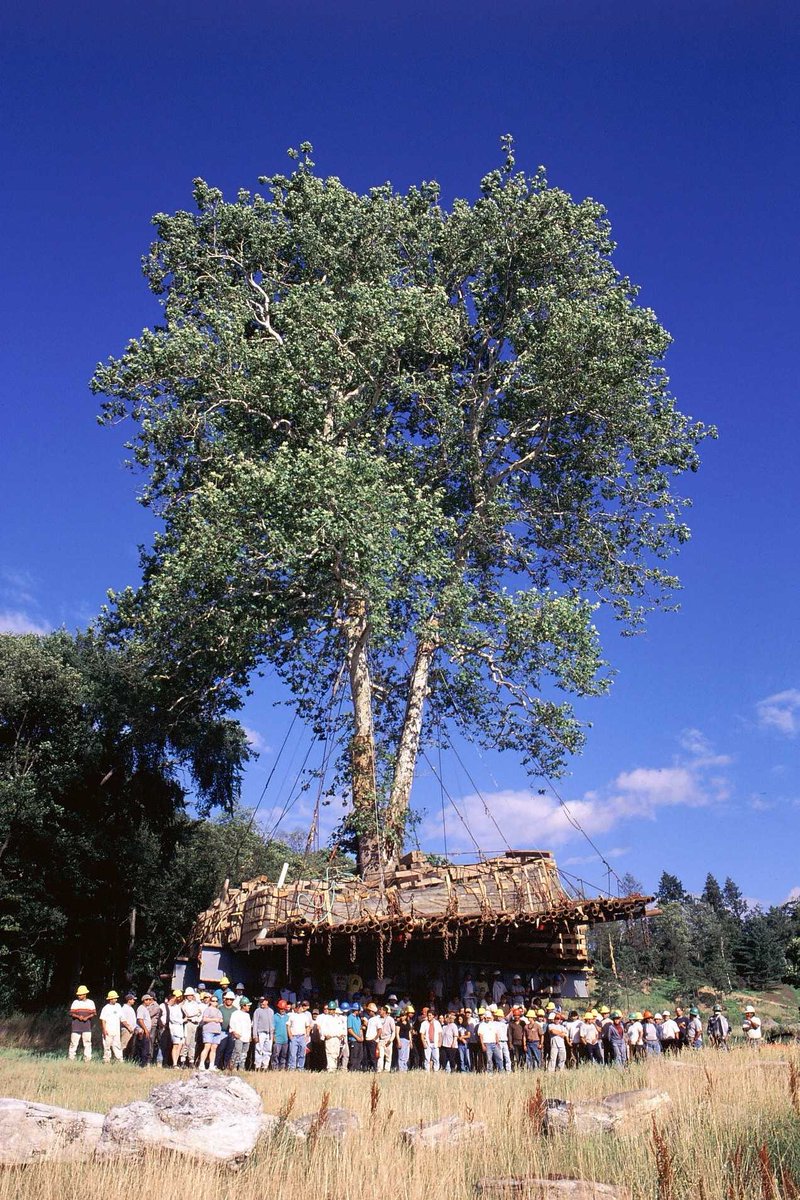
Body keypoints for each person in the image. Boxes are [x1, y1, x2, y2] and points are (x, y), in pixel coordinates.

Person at [68, 985, 96, 1061]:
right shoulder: (75, 1002)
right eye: (78, 995)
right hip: (76, 1027)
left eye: (80, 994)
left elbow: (93, 1013)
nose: (79, 996)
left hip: (86, 1027)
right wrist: (78, 1017)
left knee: (87, 1043)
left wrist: (87, 1017)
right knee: (73, 1043)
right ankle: (71, 1059)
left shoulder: (91, 1002)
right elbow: (71, 1013)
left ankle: (87, 1059)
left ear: (85, 994)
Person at [198, 994, 223, 1070]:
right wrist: (214, 1020)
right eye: (213, 1001)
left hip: (217, 1031)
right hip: (208, 1030)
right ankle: (201, 1064)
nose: (215, 1002)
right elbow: (204, 1019)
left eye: (216, 1001)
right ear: (210, 1001)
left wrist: (218, 1020)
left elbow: (221, 1020)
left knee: (214, 1048)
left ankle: (211, 1065)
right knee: (207, 1047)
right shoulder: (207, 1009)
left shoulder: (219, 1010)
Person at [181, 987, 203, 1067]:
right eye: (188, 995)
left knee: (193, 1043)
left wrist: (196, 1018)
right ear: (186, 996)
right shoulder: (184, 1005)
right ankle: (183, 1060)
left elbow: (200, 1014)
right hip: (188, 1023)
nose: (190, 996)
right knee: (186, 1042)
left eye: (191, 995)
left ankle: (191, 1060)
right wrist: (194, 1015)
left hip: (195, 1024)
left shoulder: (196, 1004)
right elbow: (189, 1014)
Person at [228, 997, 252, 1068]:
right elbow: (231, 1024)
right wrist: (234, 1033)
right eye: (248, 1005)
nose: (249, 1007)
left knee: (244, 1053)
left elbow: (249, 1026)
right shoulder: (235, 1013)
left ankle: (241, 1067)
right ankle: (234, 1067)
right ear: (243, 1005)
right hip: (238, 1037)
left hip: (246, 1037)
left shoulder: (247, 1015)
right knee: (237, 1052)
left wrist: (249, 1036)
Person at [99, 989, 123, 1063]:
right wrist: (104, 1029)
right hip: (108, 1030)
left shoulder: (118, 1006)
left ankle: (119, 1060)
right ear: (110, 999)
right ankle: (106, 1060)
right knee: (107, 1046)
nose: (115, 999)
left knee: (117, 1045)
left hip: (116, 1030)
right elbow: (103, 1019)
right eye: (114, 998)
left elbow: (121, 1017)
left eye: (116, 998)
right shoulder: (106, 1008)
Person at [287, 1000, 311, 1070]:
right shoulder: (292, 1016)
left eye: (300, 1007)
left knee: (302, 1053)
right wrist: (290, 1035)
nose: (299, 1008)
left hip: (302, 1036)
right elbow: (288, 1026)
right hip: (294, 1036)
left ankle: (300, 1067)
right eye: (298, 1007)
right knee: (293, 1053)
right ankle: (292, 1067)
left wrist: (307, 1036)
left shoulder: (305, 1016)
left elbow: (307, 1026)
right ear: (295, 1008)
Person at [252, 995, 275, 1069]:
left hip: (269, 1033)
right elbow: (255, 1023)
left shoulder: (271, 1011)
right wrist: (255, 1035)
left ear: (267, 1001)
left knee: (268, 1050)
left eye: (263, 1001)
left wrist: (272, 1034)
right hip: (260, 1033)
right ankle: (258, 1066)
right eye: (260, 1001)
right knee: (259, 1049)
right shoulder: (257, 1011)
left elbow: (272, 1023)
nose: (262, 1003)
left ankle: (265, 1066)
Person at [135, 992, 154, 1068]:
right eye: (147, 1000)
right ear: (144, 1000)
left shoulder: (145, 1008)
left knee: (146, 1047)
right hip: (142, 1031)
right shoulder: (141, 1008)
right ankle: (142, 1063)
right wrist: (145, 1029)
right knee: (144, 1047)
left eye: (150, 1000)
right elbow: (140, 1020)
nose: (149, 1001)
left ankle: (144, 1063)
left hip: (146, 1030)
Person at [478, 1007, 500, 1072]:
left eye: (489, 1018)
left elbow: (496, 1033)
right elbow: (480, 1035)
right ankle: (489, 1072)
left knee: (499, 1058)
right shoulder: (481, 1025)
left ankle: (501, 1070)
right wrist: (482, 1045)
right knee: (489, 1059)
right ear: (485, 1018)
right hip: (487, 1043)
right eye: (487, 1018)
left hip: (494, 1043)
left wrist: (497, 1040)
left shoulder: (493, 1024)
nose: (488, 1019)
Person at [377, 1004, 396, 1072]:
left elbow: (394, 1031)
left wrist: (390, 1040)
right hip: (381, 1040)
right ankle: (379, 1069)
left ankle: (387, 1070)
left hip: (388, 1039)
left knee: (388, 1057)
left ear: (384, 1011)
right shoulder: (378, 1019)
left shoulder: (390, 1019)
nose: (379, 1011)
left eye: (381, 1010)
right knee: (380, 1056)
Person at [120, 992, 138, 1059]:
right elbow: (123, 1019)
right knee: (123, 1045)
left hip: (131, 1030)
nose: (134, 1001)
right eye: (133, 999)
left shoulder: (130, 1008)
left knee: (129, 1046)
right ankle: (120, 1058)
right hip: (126, 1029)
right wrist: (128, 1027)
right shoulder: (124, 1008)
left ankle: (126, 1058)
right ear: (129, 1000)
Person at [364, 1002, 381, 1071]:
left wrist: (375, 1038)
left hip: (372, 1040)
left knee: (373, 1056)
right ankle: (369, 1069)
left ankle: (374, 1069)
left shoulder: (377, 1019)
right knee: (367, 1056)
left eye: (369, 1011)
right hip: (368, 1039)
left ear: (372, 1011)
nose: (368, 1012)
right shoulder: (370, 1019)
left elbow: (380, 1030)